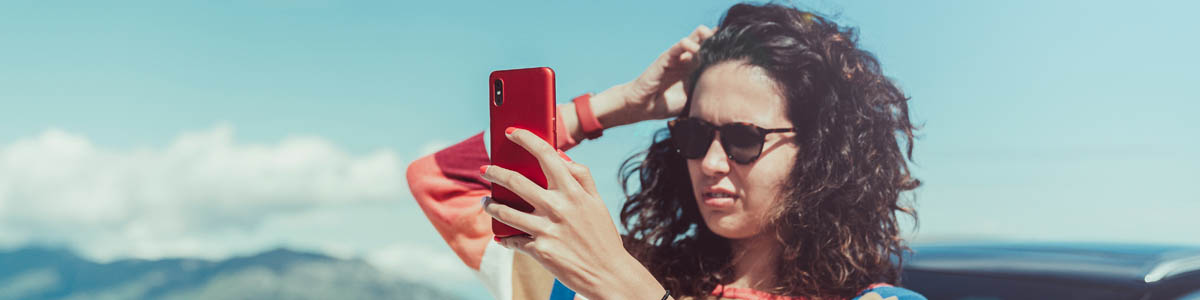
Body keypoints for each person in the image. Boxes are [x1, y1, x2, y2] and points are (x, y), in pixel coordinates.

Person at [406, 3, 924, 300]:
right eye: (696, 137)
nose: (711, 163)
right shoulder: (588, 274)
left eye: (745, 139)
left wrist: (625, 286)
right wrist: (618, 105)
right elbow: (439, 182)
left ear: (820, 154)